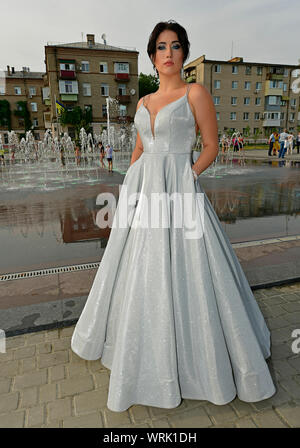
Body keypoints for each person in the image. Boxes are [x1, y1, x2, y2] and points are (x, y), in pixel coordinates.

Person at [71, 20, 276, 412]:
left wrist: (189, 175)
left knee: (193, 269)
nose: (168, 53)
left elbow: (212, 145)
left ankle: (203, 362)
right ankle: (139, 351)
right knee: (139, 269)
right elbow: (138, 149)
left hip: (180, 189)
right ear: (152, 57)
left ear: (183, 53)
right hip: (145, 191)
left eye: (176, 46)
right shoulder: (144, 102)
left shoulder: (194, 92)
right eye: (161, 47)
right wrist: (127, 189)